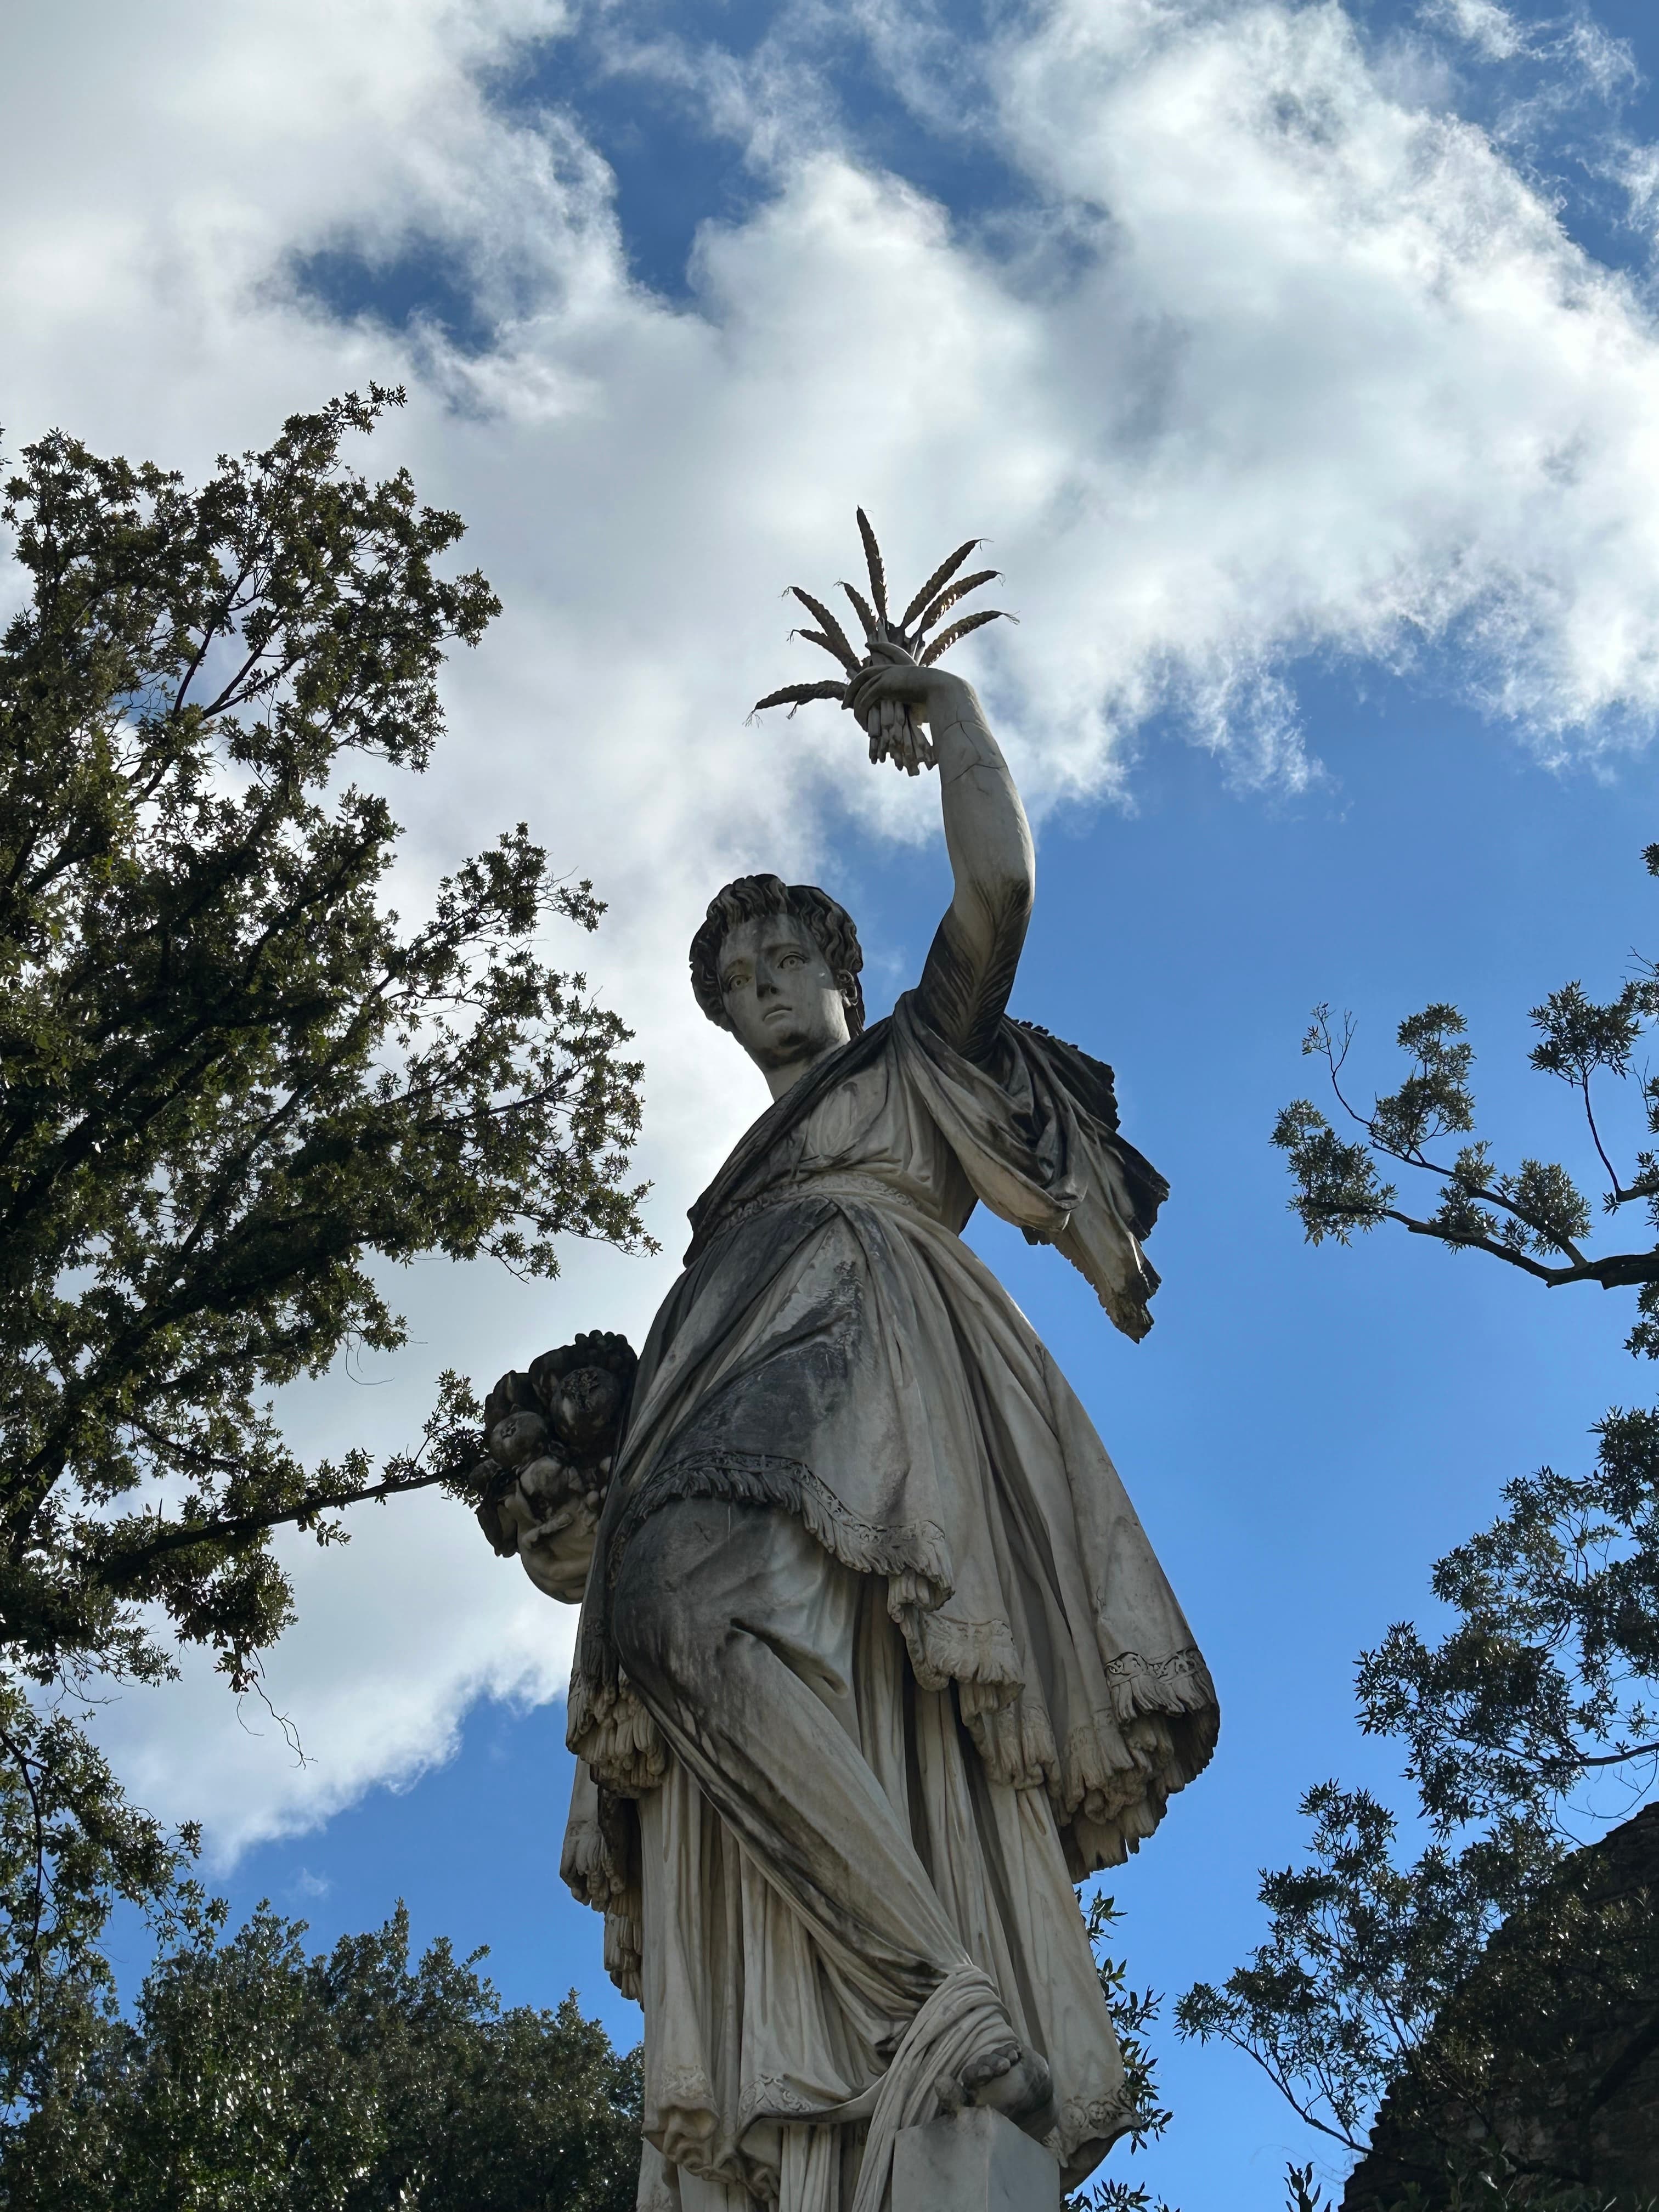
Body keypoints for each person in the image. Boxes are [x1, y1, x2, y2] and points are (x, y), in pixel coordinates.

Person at [518, 640, 1217, 2212]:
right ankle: (868, 2026)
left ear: (837, 965)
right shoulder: (726, 1209)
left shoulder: (910, 1062)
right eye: (737, 983)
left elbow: (997, 900)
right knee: (662, 1630)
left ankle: (934, 1996)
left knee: (689, 1605)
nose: (762, 995)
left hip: (877, 1346)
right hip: (738, 1360)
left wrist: (956, 714)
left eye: (782, 961)